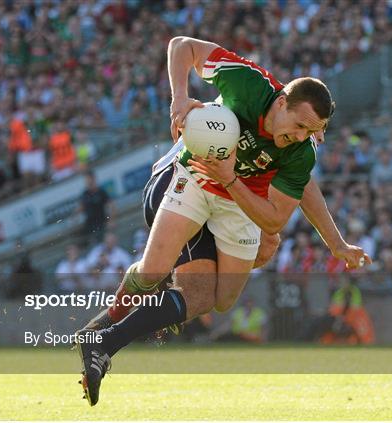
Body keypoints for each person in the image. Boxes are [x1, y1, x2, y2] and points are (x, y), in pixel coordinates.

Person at [76, 36, 371, 406]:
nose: (300, 137)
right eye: (298, 126)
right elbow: (181, 45)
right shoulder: (248, 83)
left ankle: (137, 304)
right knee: (167, 279)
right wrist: (180, 99)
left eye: (310, 133)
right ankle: (104, 337)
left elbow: (278, 214)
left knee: (222, 299)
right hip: (196, 178)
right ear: (281, 103)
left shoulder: (300, 148)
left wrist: (335, 243)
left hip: (235, 200)